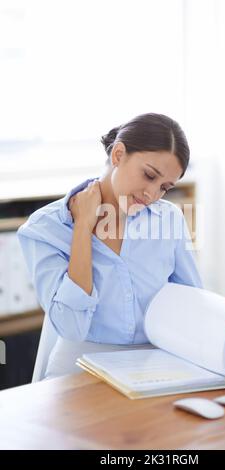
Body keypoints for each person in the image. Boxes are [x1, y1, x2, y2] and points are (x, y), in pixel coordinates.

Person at [17, 112, 204, 379]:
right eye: (149, 175)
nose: (152, 195)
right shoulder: (46, 229)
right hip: (80, 370)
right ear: (118, 155)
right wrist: (83, 228)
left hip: (153, 366)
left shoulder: (169, 219)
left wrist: (218, 318)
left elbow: (190, 300)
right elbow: (71, 328)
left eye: (165, 187)